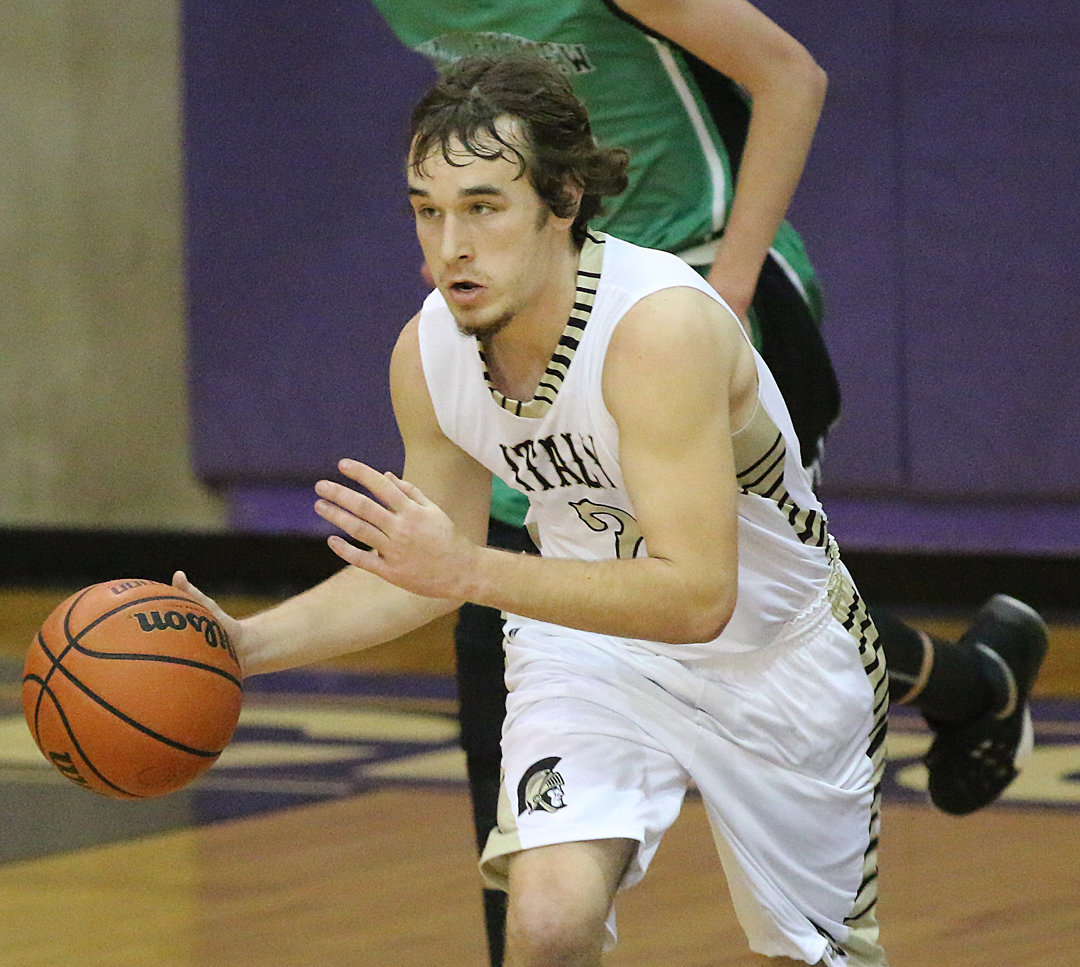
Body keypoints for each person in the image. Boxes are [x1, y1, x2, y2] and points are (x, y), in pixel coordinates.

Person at [361, 7, 1049, 959]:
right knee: (526, 595)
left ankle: (966, 682)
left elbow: (789, 76)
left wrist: (725, 285)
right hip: (525, 308)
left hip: (692, 294)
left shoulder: (671, 318)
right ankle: (539, 927)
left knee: (759, 594)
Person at [178, 54, 890, 965]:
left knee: (816, 958)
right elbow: (424, 580)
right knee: (549, 923)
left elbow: (697, 596)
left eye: (483, 207)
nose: (450, 248)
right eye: (427, 212)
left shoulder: (657, 328)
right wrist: (244, 647)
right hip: (588, 645)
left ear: (562, 199)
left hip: (775, 654)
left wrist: (471, 569)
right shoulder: (428, 352)